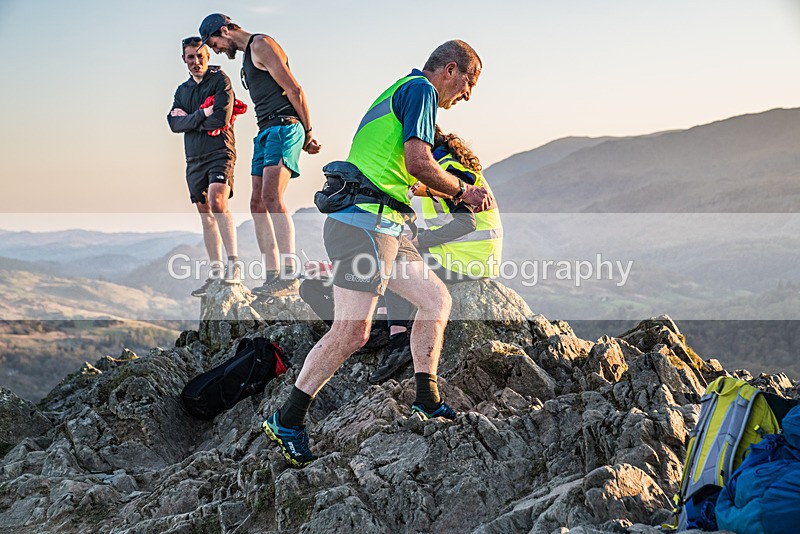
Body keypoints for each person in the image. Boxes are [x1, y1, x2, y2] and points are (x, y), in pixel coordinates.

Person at [261, 40, 492, 467]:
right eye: (469, 82)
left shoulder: (401, 91)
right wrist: (463, 190)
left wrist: (422, 190)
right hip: (365, 222)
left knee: (435, 300)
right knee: (352, 332)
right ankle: (287, 420)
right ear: (451, 70)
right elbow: (419, 161)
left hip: (387, 225)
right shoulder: (421, 91)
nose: (467, 94)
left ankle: (426, 399)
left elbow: (399, 169)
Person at [199, 14, 321, 297]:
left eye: (213, 42)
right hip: (265, 130)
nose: (214, 49)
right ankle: (272, 274)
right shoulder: (246, 56)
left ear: (224, 31)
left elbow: (294, 88)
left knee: (272, 197)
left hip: (284, 126)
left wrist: (308, 132)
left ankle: (289, 275)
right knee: (257, 202)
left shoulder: (261, 44)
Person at [371, 125, 503, 383]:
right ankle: (383, 325)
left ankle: (397, 341)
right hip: (468, 253)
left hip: (468, 258)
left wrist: (419, 241)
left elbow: (467, 224)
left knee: (399, 260)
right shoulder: (446, 162)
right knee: (397, 248)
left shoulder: (447, 169)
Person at [167, 36, 241, 297]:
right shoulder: (182, 91)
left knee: (218, 201)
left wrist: (191, 119)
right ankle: (216, 273)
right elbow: (174, 124)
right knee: (205, 212)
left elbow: (220, 118)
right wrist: (202, 115)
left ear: (208, 57)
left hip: (220, 151)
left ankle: (234, 266)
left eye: (200, 56)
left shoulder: (221, 81)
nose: (196, 61)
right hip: (194, 158)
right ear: (183, 59)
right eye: (190, 57)